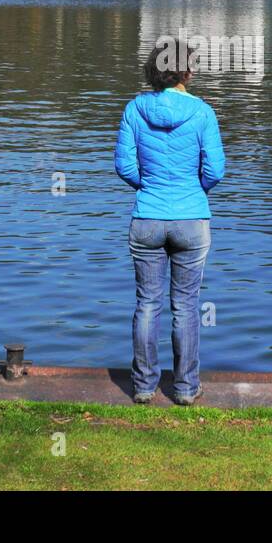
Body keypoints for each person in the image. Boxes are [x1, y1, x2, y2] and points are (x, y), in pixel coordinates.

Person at [114, 37, 225, 405]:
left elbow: (124, 166)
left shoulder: (134, 109)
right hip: (191, 219)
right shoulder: (203, 113)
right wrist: (194, 190)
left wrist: (147, 186)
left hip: (146, 217)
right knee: (186, 307)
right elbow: (216, 169)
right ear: (186, 72)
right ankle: (185, 388)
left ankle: (144, 387)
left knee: (147, 304)